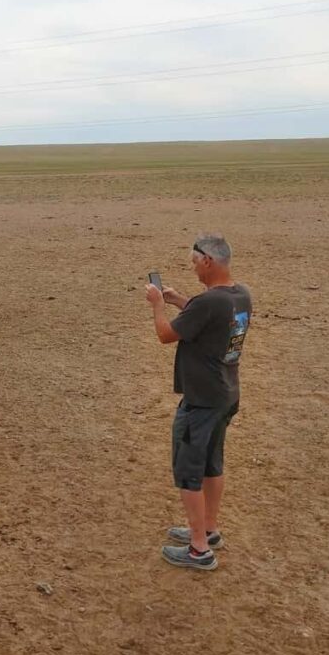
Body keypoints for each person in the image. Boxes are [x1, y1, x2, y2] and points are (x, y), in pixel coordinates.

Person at [145, 233, 252, 571]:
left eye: (194, 262)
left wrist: (159, 305)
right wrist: (181, 301)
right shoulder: (239, 295)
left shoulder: (207, 303)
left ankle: (198, 549)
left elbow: (166, 334)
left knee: (189, 470)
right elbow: (210, 317)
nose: (192, 268)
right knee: (211, 464)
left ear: (208, 260)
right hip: (225, 393)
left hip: (202, 401)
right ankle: (208, 528)